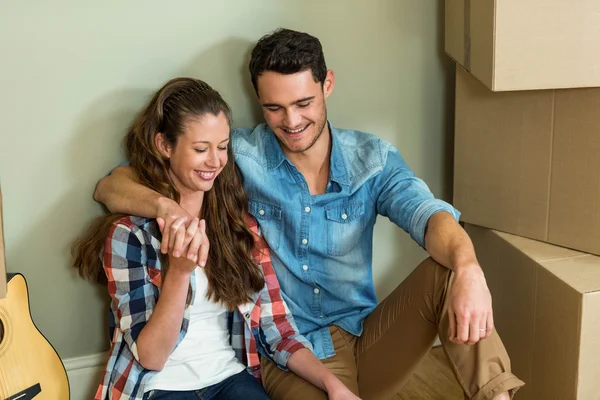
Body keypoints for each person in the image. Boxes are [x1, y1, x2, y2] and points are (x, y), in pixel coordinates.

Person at [94, 29, 525, 400]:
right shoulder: (233, 154)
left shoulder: (371, 159)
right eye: (274, 108)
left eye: (303, 102)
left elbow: (430, 216)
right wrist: (168, 210)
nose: (292, 121)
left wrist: (470, 268)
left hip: (365, 335)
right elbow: (112, 185)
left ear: (327, 85)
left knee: (450, 272)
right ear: (259, 102)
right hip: (290, 349)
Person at [72, 77, 361, 400]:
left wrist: (333, 384)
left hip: (229, 378)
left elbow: (277, 331)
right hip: (160, 387)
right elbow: (151, 357)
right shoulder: (130, 235)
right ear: (165, 146)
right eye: (200, 149)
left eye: (222, 147)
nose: (215, 161)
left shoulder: (240, 229)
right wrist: (180, 272)